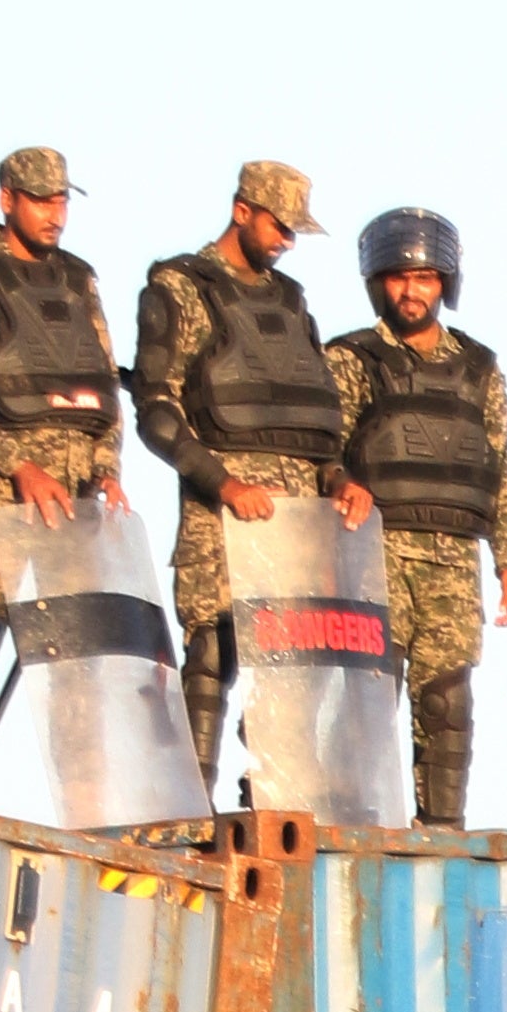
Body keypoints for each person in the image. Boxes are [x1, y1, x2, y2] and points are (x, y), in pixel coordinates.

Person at [132, 158, 359, 791]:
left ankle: (268, 798)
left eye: (294, 232)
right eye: (279, 227)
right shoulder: (180, 288)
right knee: (213, 655)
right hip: (223, 506)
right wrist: (224, 485)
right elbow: (157, 410)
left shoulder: (291, 301)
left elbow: (316, 418)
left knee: (292, 663)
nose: (286, 242)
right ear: (242, 212)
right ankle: (187, 800)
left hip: (296, 516)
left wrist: (338, 479)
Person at [0, 143, 126, 806]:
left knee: (78, 646)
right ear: (7, 199)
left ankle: (88, 796)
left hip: (76, 494)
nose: (54, 215)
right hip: (0, 487)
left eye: (62, 200)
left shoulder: (78, 279)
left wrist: (107, 467)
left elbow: (102, 383)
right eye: (40, 200)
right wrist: (18, 465)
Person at [325, 211, 507, 831]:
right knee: (366, 698)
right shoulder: (351, 357)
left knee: (446, 703)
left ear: (446, 283)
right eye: (399, 278)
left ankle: (442, 833)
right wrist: (343, 483)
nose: (412, 292)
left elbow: (501, 467)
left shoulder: (479, 367)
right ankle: (360, 825)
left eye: (426, 278)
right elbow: (322, 452)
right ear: (377, 282)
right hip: (373, 551)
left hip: (454, 559)